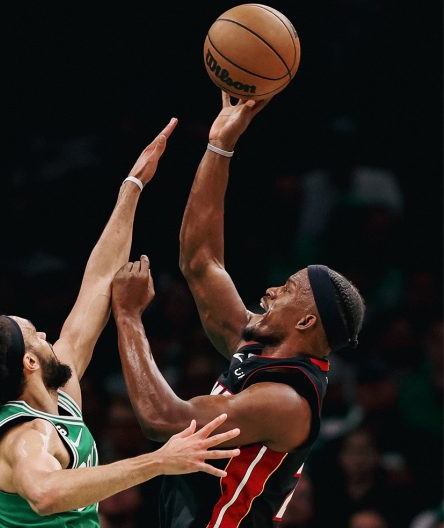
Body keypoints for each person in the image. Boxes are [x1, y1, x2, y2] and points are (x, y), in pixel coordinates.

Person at [0, 118, 241, 528]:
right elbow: (45, 494)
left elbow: (99, 281)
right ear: (29, 363)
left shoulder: (58, 389)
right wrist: (158, 461)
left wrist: (132, 187)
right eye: (36, 335)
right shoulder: (25, 438)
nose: (47, 335)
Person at [110, 92, 366, 527]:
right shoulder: (262, 346)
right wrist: (220, 146)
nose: (268, 292)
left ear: (306, 321)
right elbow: (201, 261)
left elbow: (163, 420)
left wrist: (129, 317)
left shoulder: (285, 402)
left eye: (285, 290)